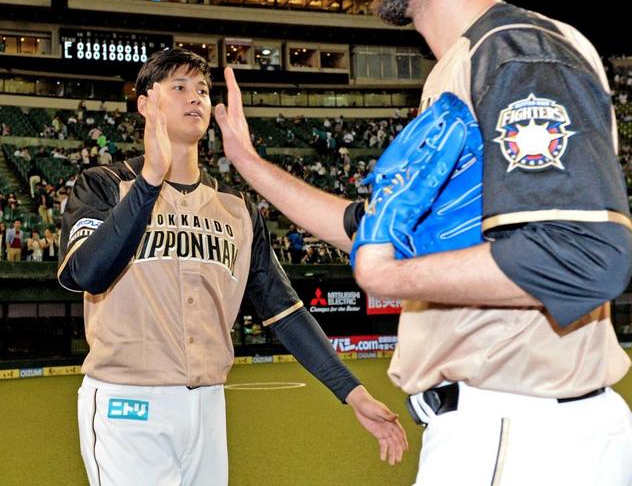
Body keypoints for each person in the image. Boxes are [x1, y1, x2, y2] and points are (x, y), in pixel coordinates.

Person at [214, 0, 632, 484]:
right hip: (508, 429)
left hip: (521, 434)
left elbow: (583, 258)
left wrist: (394, 273)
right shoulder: (467, 64)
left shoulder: (518, 51)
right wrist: (248, 162)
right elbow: (373, 228)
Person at [57, 48, 407, 486]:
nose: (195, 98)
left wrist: (351, 391)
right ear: (145, 103)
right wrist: (149, 181)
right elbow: (85, 274)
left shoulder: (236, 208)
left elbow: (285, 310)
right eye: (179, 87)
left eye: (202, 89)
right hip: (129, 403)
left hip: (208, 405)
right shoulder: (104, 184)